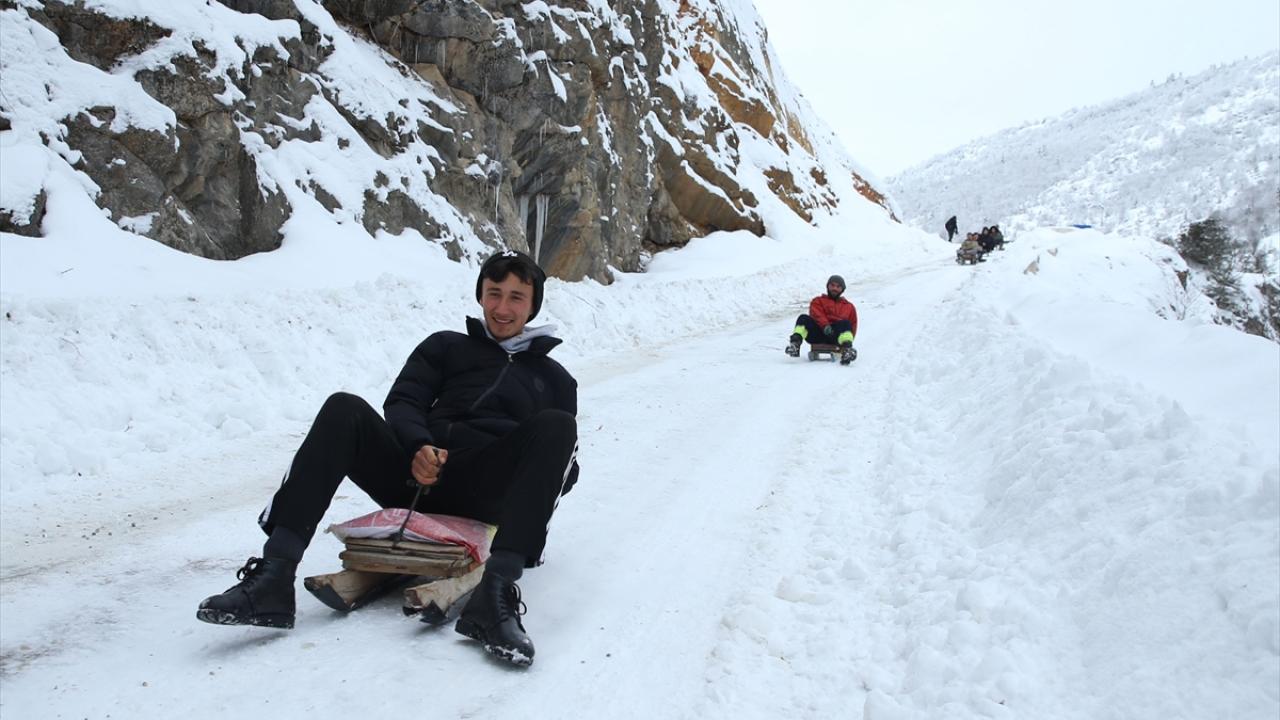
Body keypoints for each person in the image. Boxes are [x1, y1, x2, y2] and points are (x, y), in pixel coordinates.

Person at [197, 250, 580, 668]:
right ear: (480, 295)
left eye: (516, 297)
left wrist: (522, 469)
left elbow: (563, 468)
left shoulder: (556, 380)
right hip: (416, 478)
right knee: (343, 408)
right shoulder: (446, 346)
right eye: (494, 293)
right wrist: (418, 445)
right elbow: (403, 401)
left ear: (533, 304)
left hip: (484, 490)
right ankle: (274, 574)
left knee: (559, 426)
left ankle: (495, 596)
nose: (502, 308)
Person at [784, 275, 858, 365]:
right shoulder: (818, 301)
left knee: (845, 323)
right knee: (803, 318)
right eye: (832, 285)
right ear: (828, 286)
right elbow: (817, 314)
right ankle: (795, 345)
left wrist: (848, 341)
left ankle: (847, 350)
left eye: (838, 287)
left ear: (842, 289)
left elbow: (853, 326)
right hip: (818, 333)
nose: (834, 288)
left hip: (836, 337)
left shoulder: (849, 306)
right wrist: (825, 326)